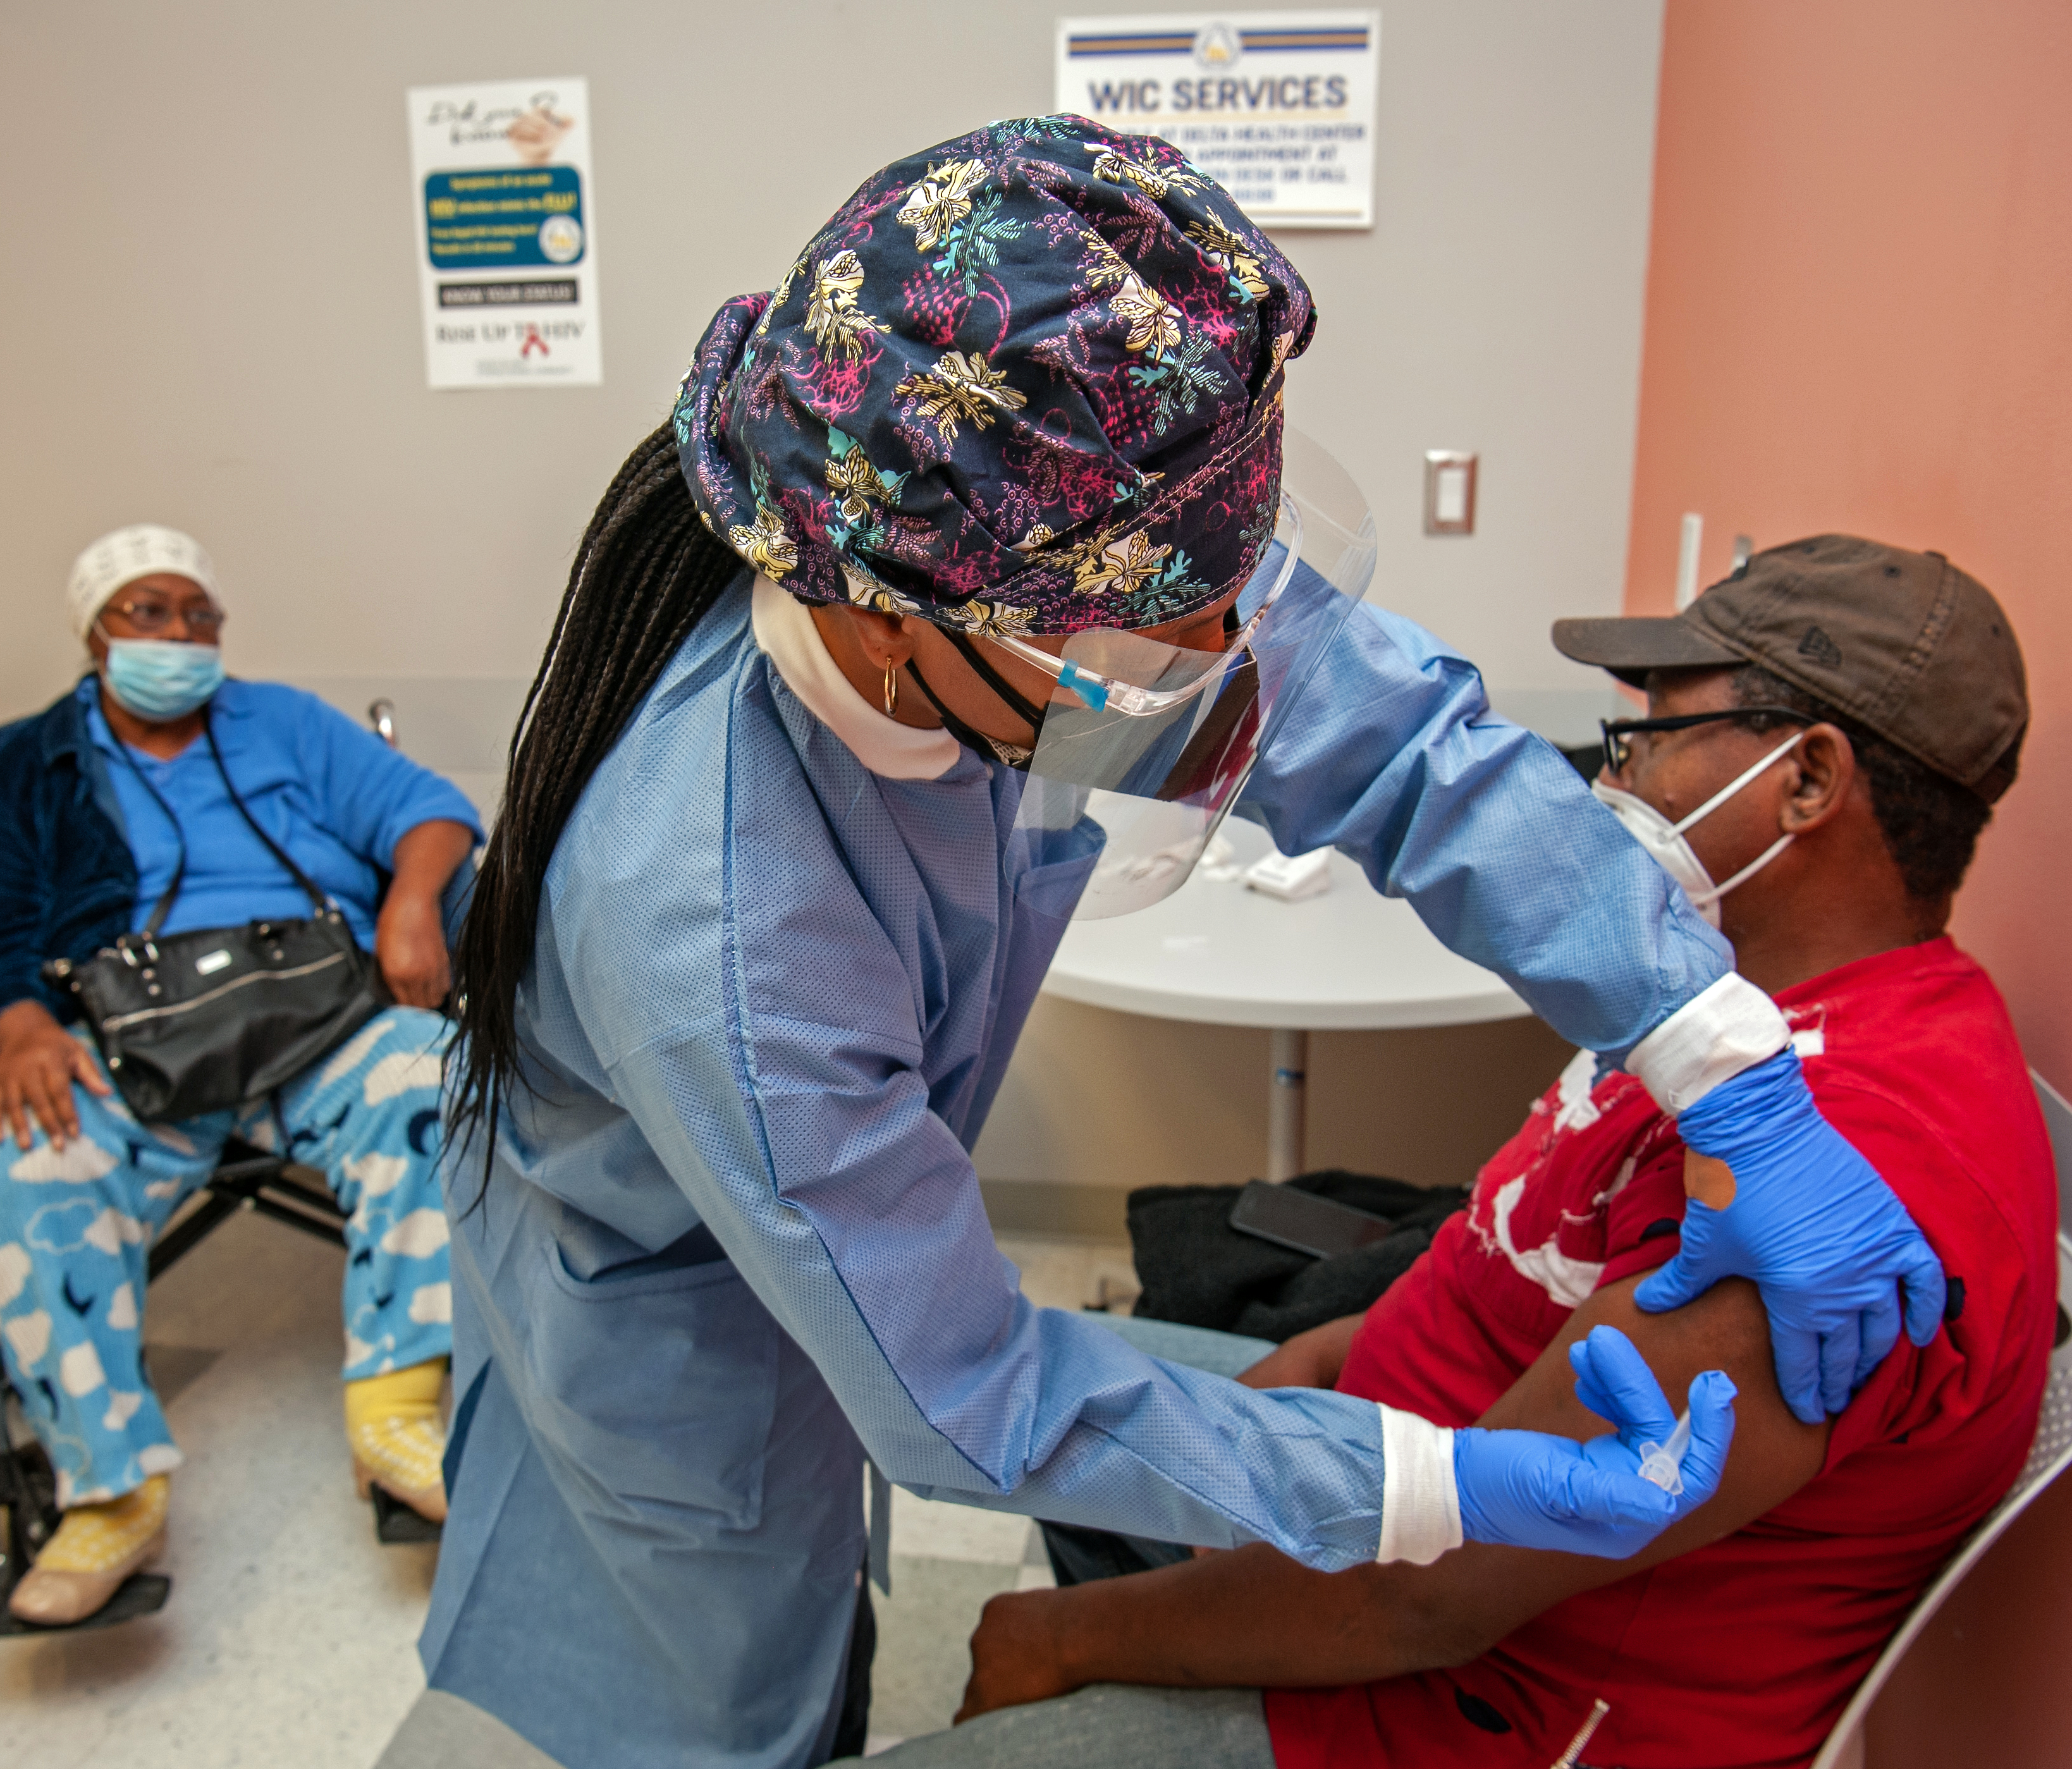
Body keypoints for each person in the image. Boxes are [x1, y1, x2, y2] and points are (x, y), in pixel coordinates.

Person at [424, 120, 1943, 1769]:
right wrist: (1430, 1486)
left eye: (1233, 596)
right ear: (886, 618)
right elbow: (966, 1396)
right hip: (666, 1330)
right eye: (1160, 646)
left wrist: (1722, 1058)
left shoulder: (1068, 534)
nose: (1228, 657)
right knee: (717, 1688)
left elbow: (1401, 748)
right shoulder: (714, 919)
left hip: (823, 1211)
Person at [900, 536, 2052, 1769]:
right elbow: (1517, 1259)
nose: (1616, 779)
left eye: (1649, 738)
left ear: (1807, 779)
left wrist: (1061, 1641)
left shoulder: (1831, 1202)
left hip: (1467, 1699)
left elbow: (1432, 1598)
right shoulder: (1727, 1013)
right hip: (1394, 1496)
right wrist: (1327, 1355)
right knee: (1027, 1397)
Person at [0, 523, 482, 1625]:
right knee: (23, 1141)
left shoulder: (283, 724)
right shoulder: (16, 765)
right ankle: (110, 1492)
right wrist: (20, 1024)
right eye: (149, 611)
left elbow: (428, 808)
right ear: (94, 631)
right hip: (125, 1036)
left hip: (317, 1018)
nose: (178, 635)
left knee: (433, 1075)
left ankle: (397, 1412)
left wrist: (412, 902)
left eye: (198, 614)